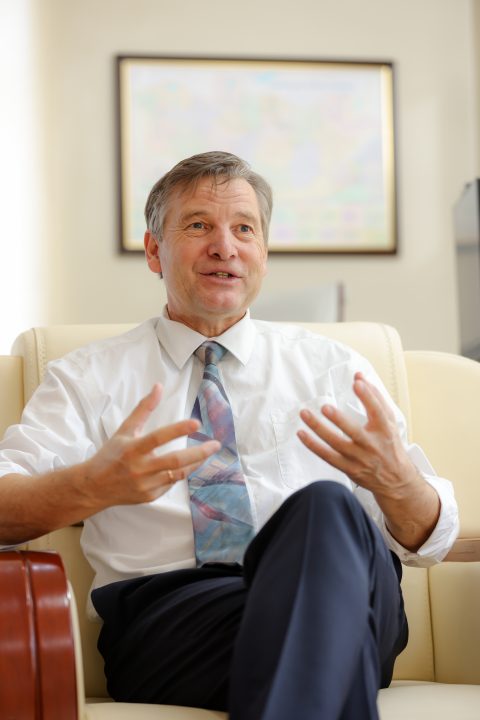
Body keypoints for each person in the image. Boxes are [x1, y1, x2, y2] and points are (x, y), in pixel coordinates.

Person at [0, 151, 458, 720]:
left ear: (263, 252)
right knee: (328, 628)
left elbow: (430, 540)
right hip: (177, 619)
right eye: (199, 226)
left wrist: (397, 483)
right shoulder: (85, 378)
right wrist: (91, 487)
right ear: (153, 251)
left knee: (326, 508)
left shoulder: (334, 369)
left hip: (348, 591)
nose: (225, 246)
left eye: (244, 229)